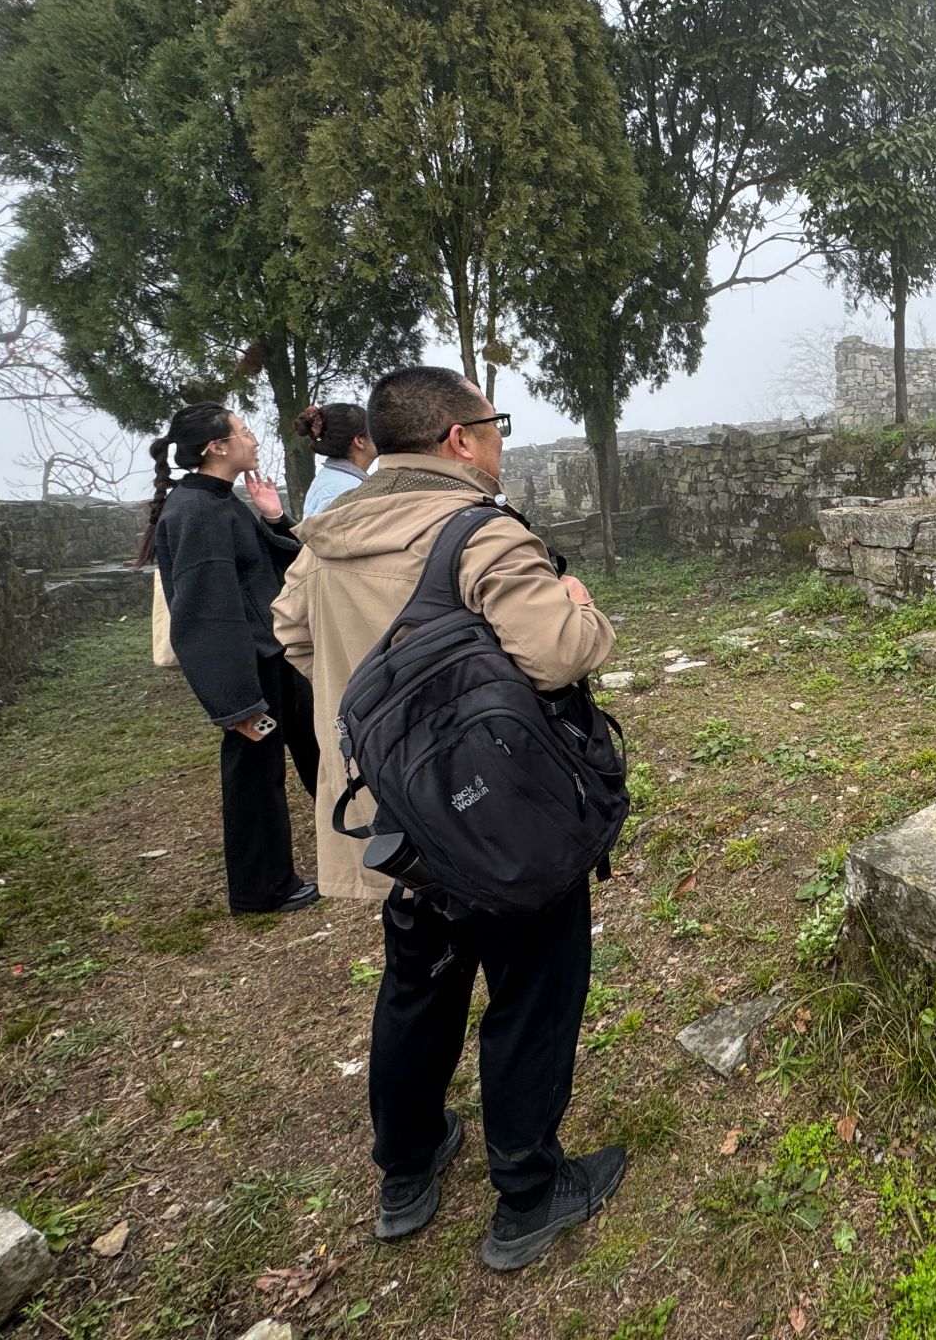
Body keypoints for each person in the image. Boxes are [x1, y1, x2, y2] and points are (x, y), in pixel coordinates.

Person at [271, 365, 623, 1272]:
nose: (501, 441)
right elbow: (558, 653)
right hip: (498, 816)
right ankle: (528, 1194)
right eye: (495, 423)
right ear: (460, 438)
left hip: (395, 820)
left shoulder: (325, 539)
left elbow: (293, 635)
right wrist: (581, 606)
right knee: (532, 989)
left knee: (418, 981)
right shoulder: (478, 532)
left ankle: (408, 1165)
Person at [138, 403, 320, 915]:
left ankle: (353, 836)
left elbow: (284, 562)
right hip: (248, 670)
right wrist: (237, 703)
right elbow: (203, 614)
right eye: (243, 431)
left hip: (273, 656)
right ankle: (262, 889)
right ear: (217, 447)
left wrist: (273, 516)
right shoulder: (195, 511)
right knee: (255, 778)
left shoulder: (221, 501)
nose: (253, 439)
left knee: (315, 748)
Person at [296, 402, 378, 517]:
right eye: (373, 430)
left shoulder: (335, 480)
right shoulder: (345, 490)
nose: (380, 435)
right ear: (359, 441)